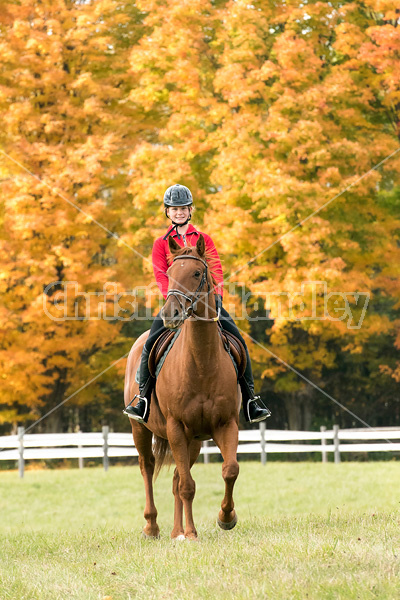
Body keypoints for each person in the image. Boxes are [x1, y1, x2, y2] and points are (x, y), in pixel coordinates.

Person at [124, 184, 271, 424]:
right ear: (167, 212)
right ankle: (143, 400)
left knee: (239, 342)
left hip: (206, 304)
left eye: (183, 208)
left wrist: (217, 297)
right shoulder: (160, 243)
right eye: (174, 209)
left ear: (190, 210)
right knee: (150, 343)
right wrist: (172, 300)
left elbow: (217, 271)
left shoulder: (203, 239)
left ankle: (250, 400)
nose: (179, 212)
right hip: (175, 303)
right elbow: (161, 275)